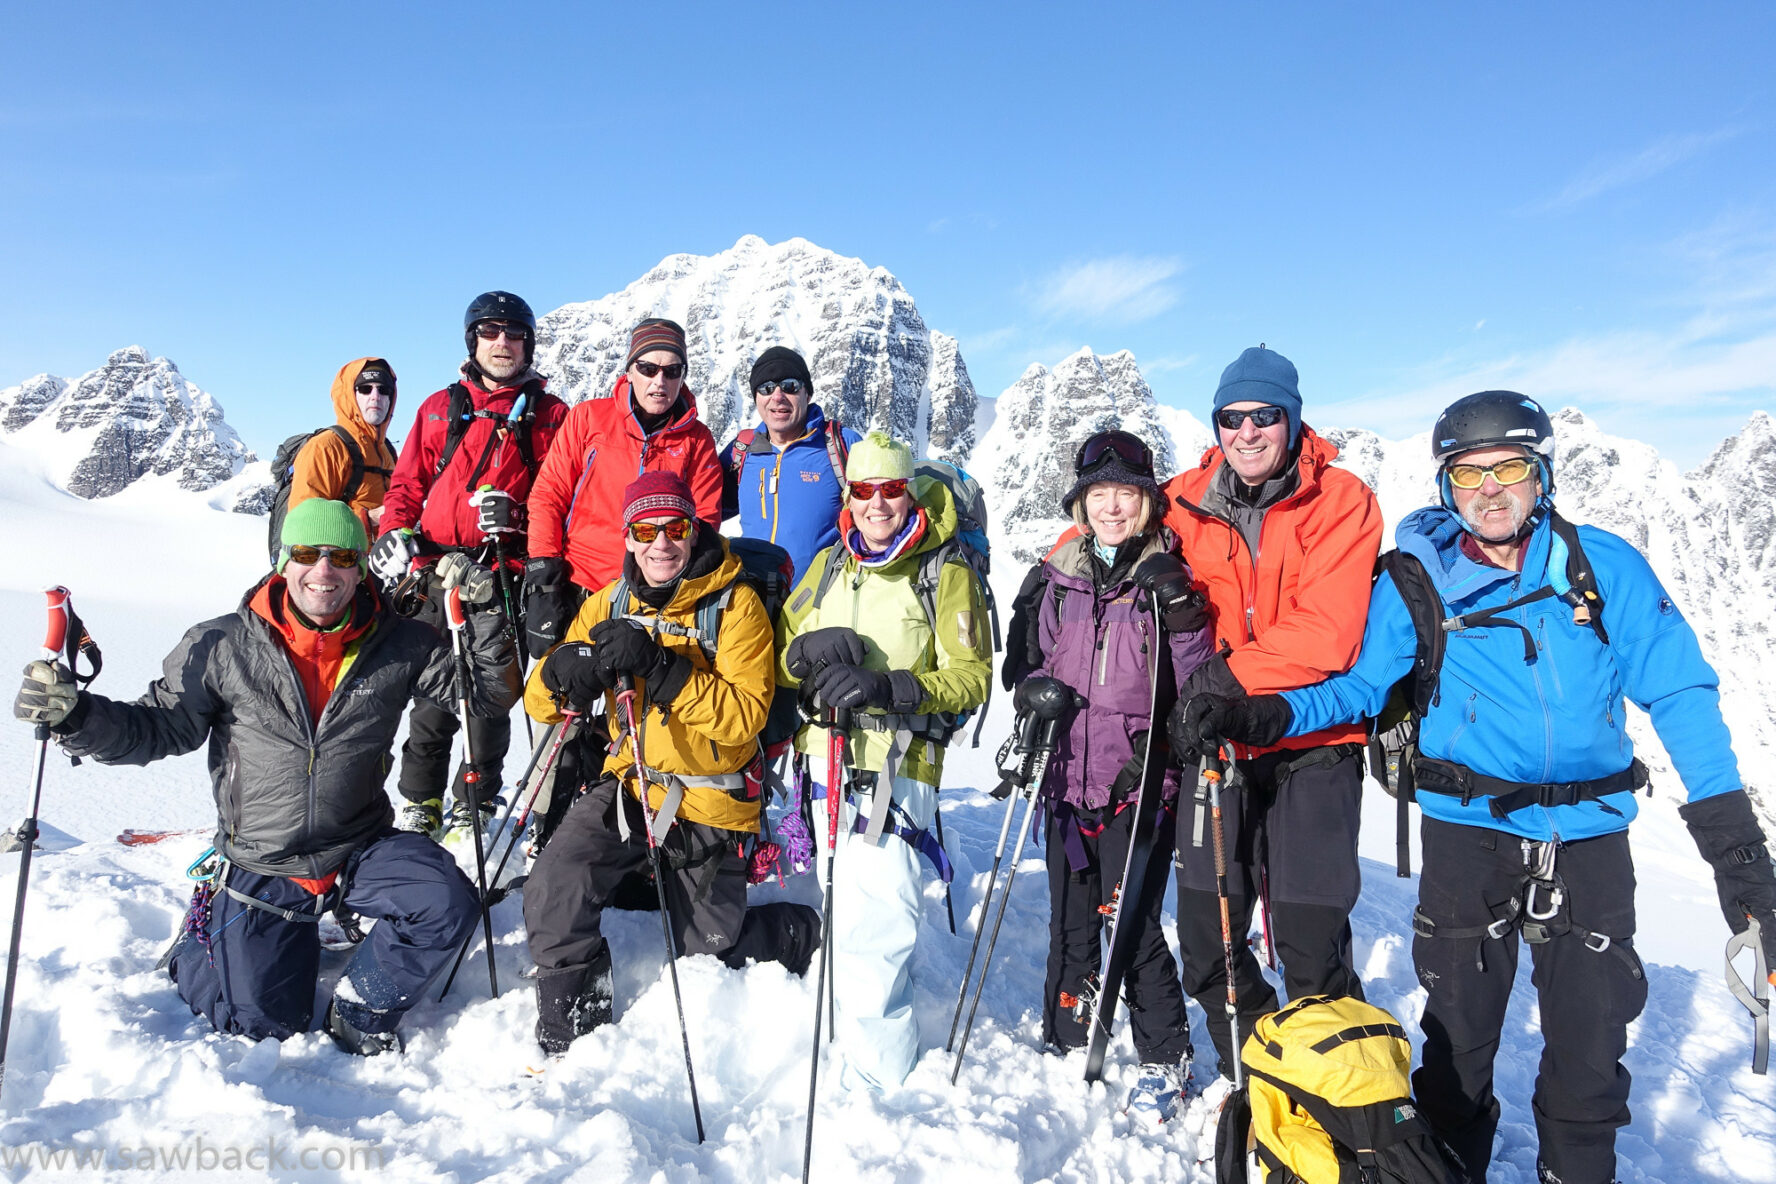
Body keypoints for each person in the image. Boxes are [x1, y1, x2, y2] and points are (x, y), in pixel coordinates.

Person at [1175, 391, 1776, 1184]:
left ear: (1543, 474)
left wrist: (1735, 851)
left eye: (1511, 468)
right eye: (1468, 474)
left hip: (1591, 833)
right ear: (1446, 487)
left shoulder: (1603, 569)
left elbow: (1679, 694)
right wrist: (1262, 715)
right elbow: (1357, 690)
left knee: (1590, 1056)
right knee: (1458, 1044)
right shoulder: (1419, 585)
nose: (1490, 490)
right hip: (1468, 832)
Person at [13, 500, 519, 1054]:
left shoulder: (401, 643)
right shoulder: (223, 646)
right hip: (263, 858)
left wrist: (489, 608)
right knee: (264, 1028)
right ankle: (199, 945)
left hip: (359, 846)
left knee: (447, 902)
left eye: (342, 556)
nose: (323, 571)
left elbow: (486, 696)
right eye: (306, 553)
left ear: (361, 566)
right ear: (283, 561)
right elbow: (159, 728)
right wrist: (75, 717)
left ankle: (360, 1005)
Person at [520, 472, 821, 1057]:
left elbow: (744, 719)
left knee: (710, 950)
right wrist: (562, 676)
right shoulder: (607, 602)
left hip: (712, 796)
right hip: (631, 785)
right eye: (645, 529)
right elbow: (538, 700)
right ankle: (576, 1022)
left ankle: (792, 931)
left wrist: (664, 670)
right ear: (628, 537)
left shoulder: (736, 606)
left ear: (693, 530)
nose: (661, 542)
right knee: (553, 885)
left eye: (675, 527)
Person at [1160, 345, 1384, 1077]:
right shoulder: (1184, 499)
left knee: (1311, 946)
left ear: (1291, 419)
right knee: (1207, 942)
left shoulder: (1341, 500)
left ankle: (1335, 1095)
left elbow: (1327, 634)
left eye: (1264, 416)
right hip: (1217, 746)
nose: (1247, 431)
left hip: (1315, 740)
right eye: (1232, 417)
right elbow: (1107, 529)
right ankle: (1261, 1080)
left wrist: (1223, 681)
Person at [776, 431, 991, 1090]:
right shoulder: (831, 565)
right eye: (864, 490)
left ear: (908, 492)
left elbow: (973, 677)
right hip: (822, 758)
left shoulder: (943, 571)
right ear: (849, 494)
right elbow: (783, 647)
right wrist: (806, 653)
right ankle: (846, 1043)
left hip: (895, 766)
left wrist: (890, 687)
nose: (877, 504)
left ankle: (879, 1081)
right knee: (847, 908)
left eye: (890, 489)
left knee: (879, 921)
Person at [1014, 430, 1214, 1121]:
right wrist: (1033, 696)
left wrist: (1183, 615)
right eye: (1099, 493)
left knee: (1130, 922)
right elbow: (1035, 661)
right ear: (1080, 502)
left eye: (1125, 493)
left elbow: (1196, 687)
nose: (1112, 506)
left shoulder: (1168, 579)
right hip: (1065, 775)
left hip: (1139, 780)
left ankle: (1164, 1058)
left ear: (1148, 501)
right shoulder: (1057, 575)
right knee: (1071, 919)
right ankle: (1068, 1029)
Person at [372, 291, 568, 840]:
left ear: (528, 343)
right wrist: (394, 533)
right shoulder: (441, 406)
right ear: (472, 340)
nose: (501, 343)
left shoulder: (553, 417)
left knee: (492, 697)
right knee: (433, 692)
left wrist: (521, 520)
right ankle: (422, 799)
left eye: (513, 333)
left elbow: (565, 500)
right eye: (489, 332)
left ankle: (477, 797)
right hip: (436, 573)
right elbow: (407, 484)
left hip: (502, 574)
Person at [524, 318, 724, 659]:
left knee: (638, 705)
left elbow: (703, 520)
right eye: (648, 368)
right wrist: (544, 573)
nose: (660, 381)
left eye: (673, 371)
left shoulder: (697, 439)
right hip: (577, 585)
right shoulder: (588, 419)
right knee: (565, 696)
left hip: (652, 594)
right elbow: (548, 496)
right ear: (630, 371)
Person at [719, 345, 860, 582]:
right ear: (756, 398)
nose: (777, 396)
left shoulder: (840, 446)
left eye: (789, 386)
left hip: (818, 605)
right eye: (766, 388)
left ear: (807, 393)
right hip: (754, 600)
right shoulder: (741, 451)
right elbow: (704, 512)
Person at [286, 357, 400, 537]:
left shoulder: (389, 452)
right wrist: (369, 518)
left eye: (384, 390)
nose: (375, 396)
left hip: (384, 561)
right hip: (341, 562)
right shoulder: (325, 448)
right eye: (365, 389)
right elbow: (303, 525)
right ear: (350, 395)